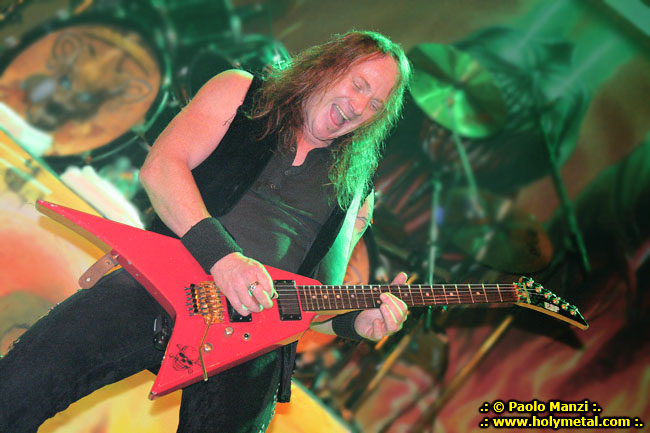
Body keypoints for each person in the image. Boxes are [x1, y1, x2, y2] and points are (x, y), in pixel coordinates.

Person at [0, 30, 412, 432]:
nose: (359, 106)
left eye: (375, 104)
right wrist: (224, 260)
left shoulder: (354, 188)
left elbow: (308, 303)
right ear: (325, 68)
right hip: (160, 283)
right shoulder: (241, 92)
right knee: (17, 389)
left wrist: (352, 324)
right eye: (358, 85)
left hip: (248, 344)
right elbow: (161, 169)